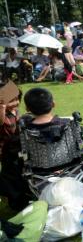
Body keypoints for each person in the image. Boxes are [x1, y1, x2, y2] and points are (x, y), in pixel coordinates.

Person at [0, 82, 29, 210]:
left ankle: (21, 195)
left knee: (20, 172)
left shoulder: (15, 111)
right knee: (9, 175)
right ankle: (12, 198)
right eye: (12, 100)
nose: (16, 103)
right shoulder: (3, 114)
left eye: (17, 99)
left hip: (17, 148)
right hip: (5, 151)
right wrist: (2, 107)